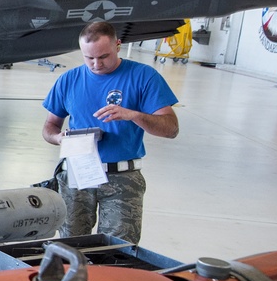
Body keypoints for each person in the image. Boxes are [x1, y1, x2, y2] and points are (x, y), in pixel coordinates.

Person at [42, 21, 179, 244]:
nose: (96, 64)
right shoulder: (69, 80)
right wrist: (59, 138)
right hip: (77, 173)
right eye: (89, 58)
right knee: (69, 247)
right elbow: (49, 127)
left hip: (122, 179)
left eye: (103, 56)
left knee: (119, 251)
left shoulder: (144, 76)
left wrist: (133, 115)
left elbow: (171, 129)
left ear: (117, 45)